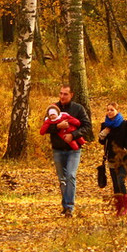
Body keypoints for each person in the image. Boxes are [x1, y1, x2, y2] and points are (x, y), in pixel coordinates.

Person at [45, 85, 92, 216]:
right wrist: (57, 127)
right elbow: (45, 127)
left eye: (65, 94)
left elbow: (87, 126)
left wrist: (74, 135)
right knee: (62, 179)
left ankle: (70, 207)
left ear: (71, 94)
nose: (62, 96)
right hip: (58, 149)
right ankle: (65, 206)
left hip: (73, 149)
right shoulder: (53, 108)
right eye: (60, 93)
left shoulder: (78, 109)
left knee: (71, 175)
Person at [98, 102, 127, 216]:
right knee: (115, 184)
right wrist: (104, 133)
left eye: (112, 110)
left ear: (117, 111)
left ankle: (125, 207)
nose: (109, 112)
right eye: (108, 110)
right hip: (111, 158)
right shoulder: (105, 125)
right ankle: (118, 208)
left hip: (124, 158)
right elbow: (101, 141)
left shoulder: (124, 124)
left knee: (120, 181)